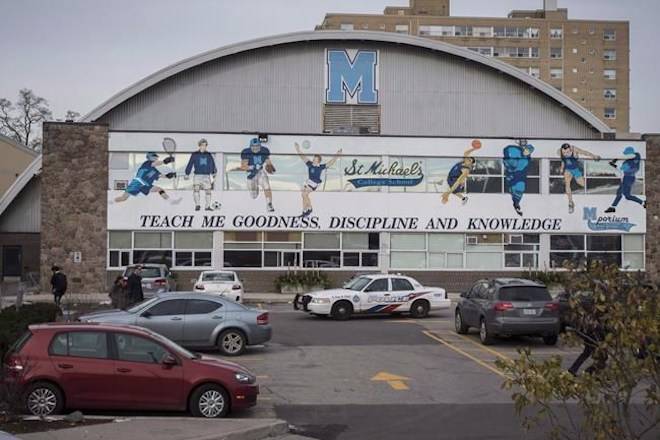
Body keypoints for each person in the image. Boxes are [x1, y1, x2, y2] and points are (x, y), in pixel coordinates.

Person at [294, 142, 342, 217]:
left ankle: (309, 208)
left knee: (304, 194)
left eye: (315, 160)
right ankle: (304, 211)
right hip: (308, 182)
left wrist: (337, 155)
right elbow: (303, 157)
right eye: (314, 159)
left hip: (315, 183)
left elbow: (331, 162)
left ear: (318, 161)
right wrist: (298, 149)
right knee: (304, 195)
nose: (314, 160)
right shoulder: (310, 164)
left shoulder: (320, 167)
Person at [557, 143, 601, 214]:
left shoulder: (574, 149)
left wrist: (594, 156)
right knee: (567, 184)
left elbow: (585, 152)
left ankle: (588, 187)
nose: (566, 154)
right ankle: (570, 203)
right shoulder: (559, 152)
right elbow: (563, 160)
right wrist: (562, 168)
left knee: (582, 184)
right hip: (568, 170)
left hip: (575, 169)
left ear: (570, 149)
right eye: (564, 152)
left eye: (568, 152)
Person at [236, 138, 276, 212]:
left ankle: (269, 204)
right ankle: (256, 189)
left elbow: (268, 162)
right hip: (251, 174)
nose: (255, 148)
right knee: (254, 196)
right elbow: (243, 167)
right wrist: (253, 167)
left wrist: (270, 166)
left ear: (260, 146)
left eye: (257, 146)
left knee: (267, 186)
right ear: (250, 146)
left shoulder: (264, 150)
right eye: (253, 146)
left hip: (260, 172)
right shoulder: (246, 152)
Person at [604, 146, 646, 213]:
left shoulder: (636, 155)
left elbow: (629, 156)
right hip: (625, 178)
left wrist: (616, 158)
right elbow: (621, 170)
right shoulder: (626, 162)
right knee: (624, 195)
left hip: (629, 178)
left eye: (626, 153)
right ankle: (643, 203)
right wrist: (614, 165)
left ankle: (613, 207)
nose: (625, 155)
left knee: (624, 194)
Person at [503, 139, 535, 217]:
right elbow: (508, 160)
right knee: (513, 188)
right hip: (513, 175)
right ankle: (516, 203)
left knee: (520, 188)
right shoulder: (515, 152)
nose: (526, 151)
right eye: (525, 149)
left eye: (528, 150)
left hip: (520, 177)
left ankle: (516, 203)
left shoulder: (526, 159)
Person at [184, 138, 218, 211]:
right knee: (196, 189)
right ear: (199, 146)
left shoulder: (208, 155)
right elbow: (190, 163)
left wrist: (213, 172)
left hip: (206, 175)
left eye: (205, 145)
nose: (204, 147)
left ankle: (207, 206)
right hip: (197, 175)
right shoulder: (195, 154)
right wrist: (187, 173)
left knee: (208, 191)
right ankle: (197, 205)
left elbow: (212, 164)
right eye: (202, 145)